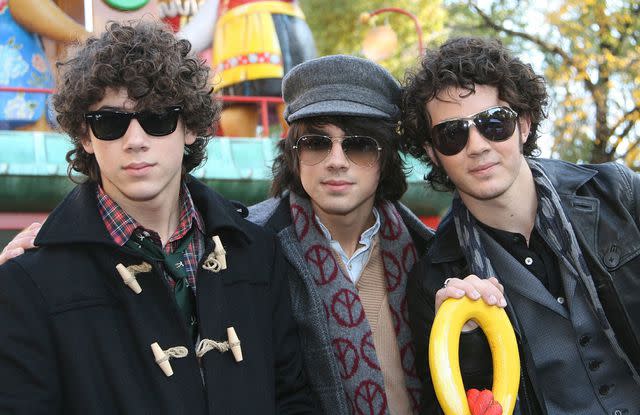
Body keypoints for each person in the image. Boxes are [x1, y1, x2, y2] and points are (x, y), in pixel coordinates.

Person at [0, 19, 315, 414]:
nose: (135, 141)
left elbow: (291, 398)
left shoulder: (257, 251)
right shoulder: (27, 283)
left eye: (158, 118)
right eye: (110, 122)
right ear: (85, 136)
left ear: (190, 129)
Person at [249, 54, 505, 415]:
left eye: (358, 145)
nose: (336, 160)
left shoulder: (431, 255)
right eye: (317, 143)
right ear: (294, 153)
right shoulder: (250, 248)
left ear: (385, 158)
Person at [401, 36, 640, 414]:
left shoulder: (617, 195)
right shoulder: (435, 280)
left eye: (494, 122)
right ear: (433, 153)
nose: (477, 145)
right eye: (452, 135)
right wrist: (468, 343)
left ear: (524, 124)